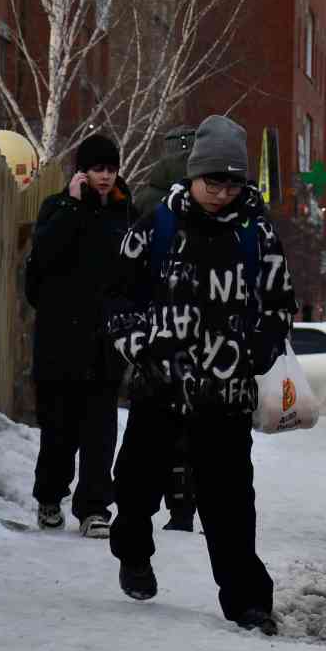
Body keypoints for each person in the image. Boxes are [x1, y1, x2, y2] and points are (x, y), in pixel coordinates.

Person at [104, 115, 296, 634]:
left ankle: (249, 602)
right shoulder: (156, 227)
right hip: (160, 386)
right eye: (214, 181)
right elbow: (120, 299)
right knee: (137, 486)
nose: (222, 192)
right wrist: (141, 348)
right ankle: (134, 551)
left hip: (225, 394)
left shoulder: (258, 236)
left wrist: (258, 347)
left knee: (231, 503)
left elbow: (280, 307)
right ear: (192, 175)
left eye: (233, 183)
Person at [24, 133, 134, 537]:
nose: (105, 177)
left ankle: (93, 508)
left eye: (111, 168)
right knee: (58, 429)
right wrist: (72, 205)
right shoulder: (57, 207)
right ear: (82, 171)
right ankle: (50, 498)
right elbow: (43, 260)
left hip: (105, 343)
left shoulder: (125, 214)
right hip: (60, 341)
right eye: (97, 169)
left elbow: (133, 276)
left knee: (100, 432)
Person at [129, 123, 199, 530]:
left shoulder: (146, 205)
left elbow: (127, 275)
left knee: (153, 430)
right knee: (193, 429)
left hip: (157, 334)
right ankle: (184, 506)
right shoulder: (213, 204)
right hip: (199, 338)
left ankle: (145, 509)